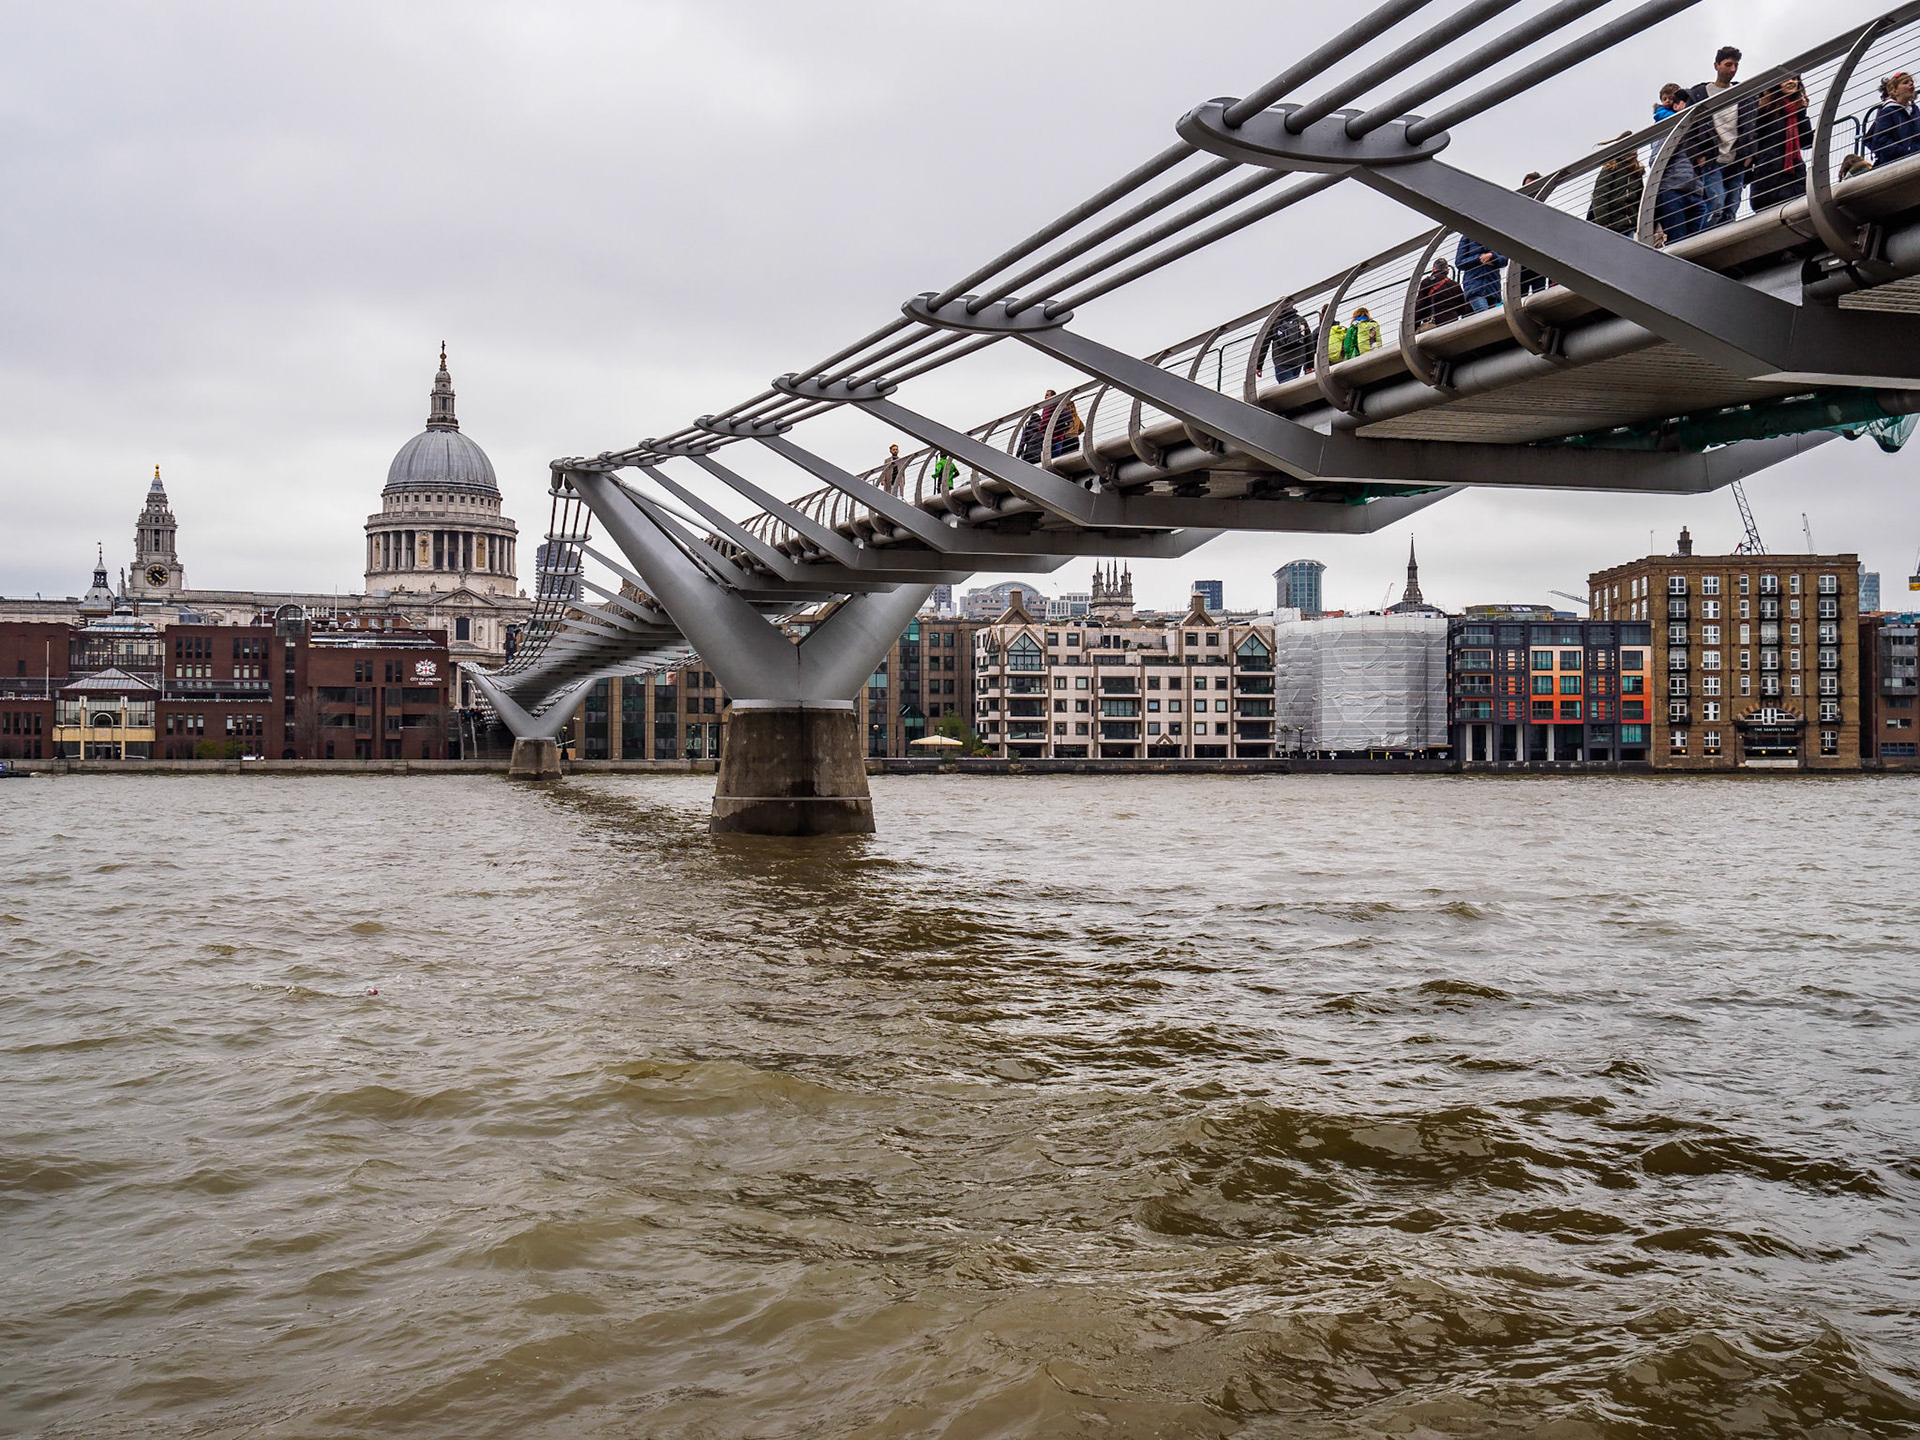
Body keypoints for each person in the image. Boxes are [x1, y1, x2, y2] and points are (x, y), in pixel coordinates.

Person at [1688, 46, 1758, 229]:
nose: (1732, 69)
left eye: (1736, 65)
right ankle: (1702, 240)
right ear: (1716, 65)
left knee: (1731, 209)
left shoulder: (1743, 94)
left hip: (1737, 159)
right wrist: (1698, 155)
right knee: (1716, 205)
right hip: (1712, 159)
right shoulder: (1700, 95)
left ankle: (1723, 241)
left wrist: (1750, 154)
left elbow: (1751, 125)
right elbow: (1688, 130)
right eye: (1728, 65)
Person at [1747, 74, 1814, 212]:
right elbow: (1753, 138)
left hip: (1794, 172)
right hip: (1769, 172)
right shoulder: (1765, 109)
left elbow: (1807, 142)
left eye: (1794, 79)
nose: (1791, 82)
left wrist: (1802, 113)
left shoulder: (1797, 112)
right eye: (1786, 79)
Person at [1653, 85, 1711, 242]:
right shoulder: (1666, 126)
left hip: (1696, 190)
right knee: (1678, 240)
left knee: (1697, 241)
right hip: (1673, 190)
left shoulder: (1695, 125)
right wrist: (1676, 142)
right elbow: (1655, 159)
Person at [1586, 132, 1646, 234]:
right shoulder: (1611, 168)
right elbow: (1600, 195)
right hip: (1611, 225)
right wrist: (1603, 222)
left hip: (1631, 226)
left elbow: (1640, 200)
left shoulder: (1636, 173)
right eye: (1628, 148)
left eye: (1634, 148)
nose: (1632, 151)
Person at [1866, 72, 1920, 164]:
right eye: (1905, 82)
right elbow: (1881, 141)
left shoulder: (1915, 111)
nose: (1911, 83)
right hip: (1897, 163)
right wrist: (1905, 152)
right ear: (1894, 91)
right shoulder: (1888, 111)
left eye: (1912, 82)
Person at [1259, 300, 1314, 381]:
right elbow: (1309, 343)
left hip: (1281, 361)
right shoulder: (1301, 320)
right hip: (1297, 361)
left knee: (1289, 386)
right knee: (1293, 384)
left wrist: (1259, 365)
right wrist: (1310, 365)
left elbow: (1264, 344)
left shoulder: (1274, 322)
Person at [1413, 259, 1470, 331]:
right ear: (1447, 271)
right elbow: (1463, 307)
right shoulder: (1454, 284)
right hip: (1451, 322)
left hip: (1434, 324)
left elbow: (1420, 306)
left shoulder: (1427, 282)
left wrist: (1414, 326)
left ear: (1433, 270)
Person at [1454, 233, 1507, 311]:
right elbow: (1459, 263)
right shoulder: (1467, 237)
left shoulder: (1497, 236)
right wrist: (1480, 259)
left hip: (1492, 287)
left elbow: (1505, 260)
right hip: (1475, 286)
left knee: (1490, 316)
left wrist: (1492, 256)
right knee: (1484, 312)